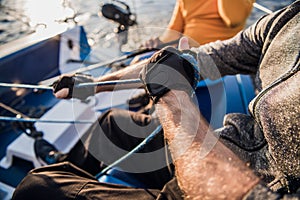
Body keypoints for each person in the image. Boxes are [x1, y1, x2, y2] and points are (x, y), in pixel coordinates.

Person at [12, 1, 299, 199]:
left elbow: (231, 18)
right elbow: (199, 57)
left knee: (36, 187)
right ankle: (64, 166)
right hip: (226, 144)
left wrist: (170, 93)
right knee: (108, 125)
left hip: (235, 188)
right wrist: (93, 86)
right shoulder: (287, 21)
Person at [143, 0, 255, 48]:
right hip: (185, 54)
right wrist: (157, 44)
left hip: (217, 59)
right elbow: (173, 33)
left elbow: (233, 20)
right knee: (138, 62)